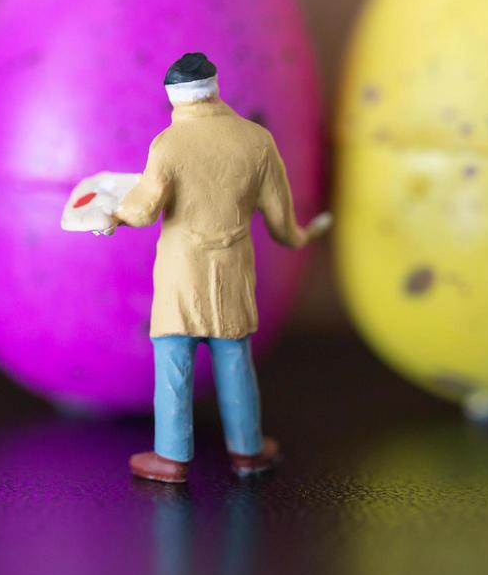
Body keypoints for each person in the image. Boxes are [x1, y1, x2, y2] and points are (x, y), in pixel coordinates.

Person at [109, 51, 329, 484]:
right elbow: (281, 219)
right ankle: (248, 451)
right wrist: (299, 237)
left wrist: (111, 212)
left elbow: (143, 211)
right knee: (235, 360)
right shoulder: (257, 141)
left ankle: (171, 458)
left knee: (174, 362)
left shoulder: (168, 144)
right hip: (232, 272)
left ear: (175, 98)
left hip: (181, 274)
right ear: (214, 89)